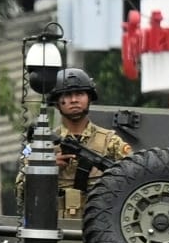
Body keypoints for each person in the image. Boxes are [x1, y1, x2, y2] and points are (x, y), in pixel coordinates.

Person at [17, 67, 132, 218]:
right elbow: (20, 192)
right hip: (52, 223)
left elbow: (134, 179)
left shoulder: (111, 142)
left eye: (80, 94)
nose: (74, 100)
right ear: (57, 102)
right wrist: (45, 167)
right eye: (67, 95)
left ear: (89, 98)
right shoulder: (41, 145)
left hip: (99, 224)